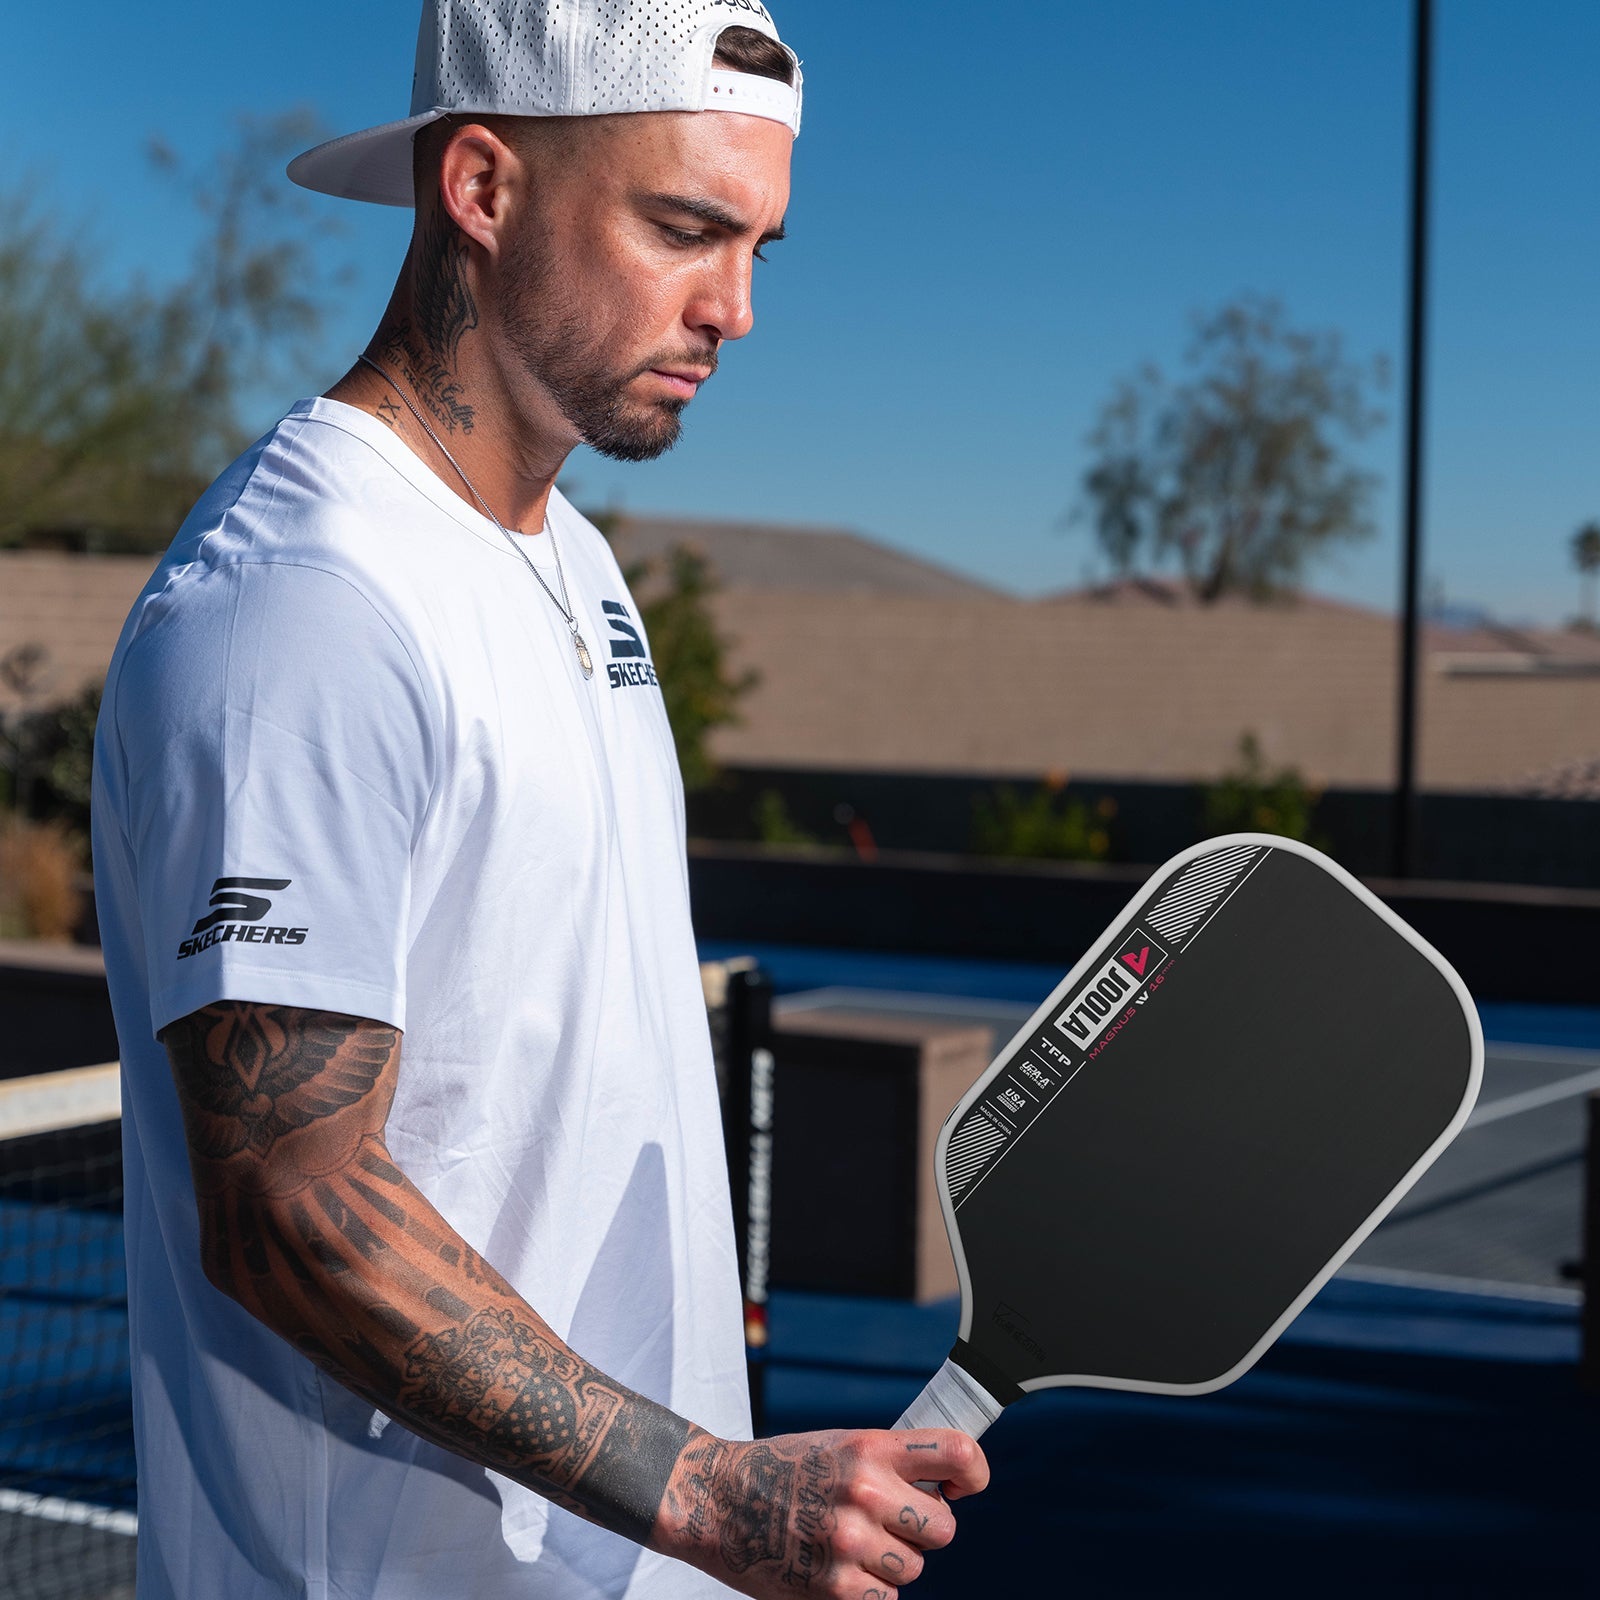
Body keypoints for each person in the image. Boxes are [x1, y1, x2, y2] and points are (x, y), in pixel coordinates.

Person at [90, 2, 989, 1596]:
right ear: (485, 190)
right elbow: (290, 1208)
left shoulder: (573, 561)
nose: (738, 309)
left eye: (763, 247)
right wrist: (710, 1493)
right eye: (687, 228)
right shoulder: (304, 599)